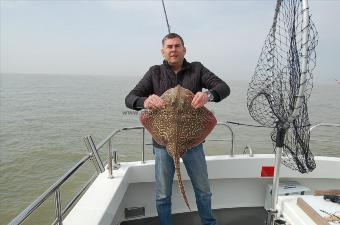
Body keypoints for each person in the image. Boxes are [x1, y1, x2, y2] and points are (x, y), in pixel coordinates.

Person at [125, 33, 230, 225]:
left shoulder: (197, 69)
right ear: (163, 51)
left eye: (177, 46)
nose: (173, 49)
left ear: (184, 49)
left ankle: (209, 223)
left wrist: (209, 95)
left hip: (193, 143)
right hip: (162, 143)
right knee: (163, 193)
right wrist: (144, 101)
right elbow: (130, 98)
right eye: (169, 46)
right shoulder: (154, 72)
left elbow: (223, 87)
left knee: (203, 190)